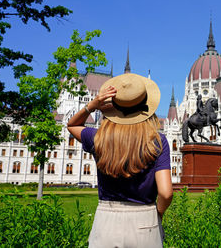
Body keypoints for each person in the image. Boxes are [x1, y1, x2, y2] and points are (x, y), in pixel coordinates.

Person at [67, 73, 173, 248]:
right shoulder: (157, 141)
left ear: (113, 107)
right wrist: (158, 213)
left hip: (106, 221)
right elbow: (166, 193)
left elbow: (72, 125)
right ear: (145, 106)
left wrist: (92, 105)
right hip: (145, 221)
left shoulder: (97, 137)